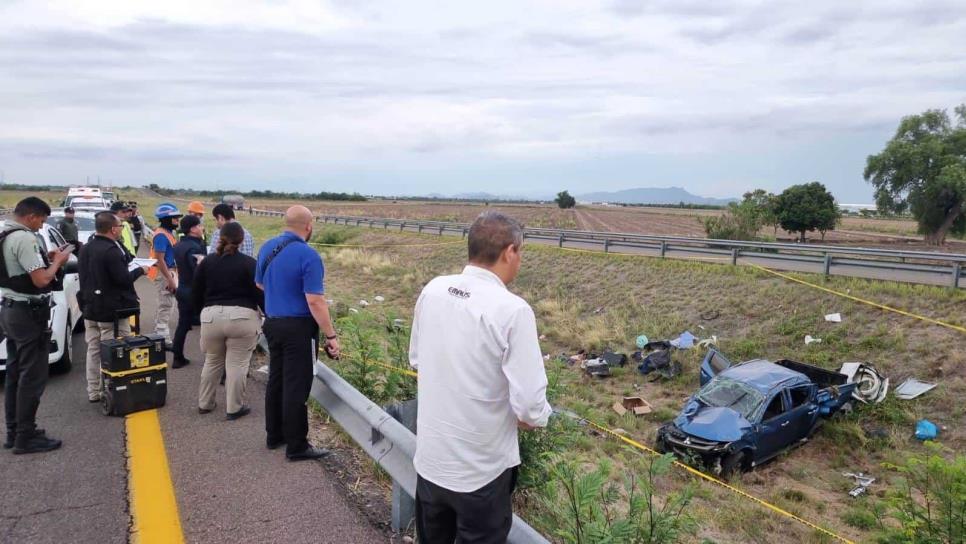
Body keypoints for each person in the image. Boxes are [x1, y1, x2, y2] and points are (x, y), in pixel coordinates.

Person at [409, 211, 552, 543]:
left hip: (431, 463)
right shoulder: (513, 310)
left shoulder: (433, 290)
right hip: (482, 473)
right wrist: (534, 417)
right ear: (509, 252)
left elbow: (418, 360)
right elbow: (530, 407)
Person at [255, 205, 339, 461]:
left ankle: (274, 435)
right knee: (297, 386)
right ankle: (297, 445)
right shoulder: (308, 255)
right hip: (298, 328)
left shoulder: (268, 247)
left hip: (272, 323)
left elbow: (259, 283)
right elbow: (315, 300)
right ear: (309, 226)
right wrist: (331, 336)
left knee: (277, 380)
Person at [1, 197, 74, 454]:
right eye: (41, 220)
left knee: (14, 373)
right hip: (28, 313)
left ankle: (15, 430)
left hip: (10, 308)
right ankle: (26, 436)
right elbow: (42, 279)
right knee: (32, 376)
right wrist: (58, 262)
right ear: (31, 216)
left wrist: (48, 257)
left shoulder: (5, 232)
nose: (41, 225)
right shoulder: (25, 238)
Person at [194, 222, 264, 420]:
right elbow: (259, 294)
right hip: (242, 317)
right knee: (237, 364)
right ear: (242, 240)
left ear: (219, 237)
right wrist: (268, 314)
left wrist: (202, 313)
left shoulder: (207, 262)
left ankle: (205, 403)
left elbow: (196, 292)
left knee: (212, 361)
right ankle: (234, 408)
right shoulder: (250, 263)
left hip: (211, 315)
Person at [78, 211, 148, 402]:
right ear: (112, 229)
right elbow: (123, 279)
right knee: (117, 348)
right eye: (119, 226)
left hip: (90, 307)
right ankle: (118, 385)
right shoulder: (110, 251)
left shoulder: (87, 247)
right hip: (111, 311)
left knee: (93, 349)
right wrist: (141, 270)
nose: (121, 229)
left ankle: (93, 390)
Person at [171, 215, 205, 369]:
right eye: (199, 225)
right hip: (196, 292)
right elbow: (198, 272)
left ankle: (177, 357)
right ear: (192, 228)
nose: (202, 228)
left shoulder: (178, 245)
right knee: (209, 327)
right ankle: (215, 364)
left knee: (183, 325)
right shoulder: (195, 247)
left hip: (182, 288)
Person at [148, 203, 182, 344]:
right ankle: (162, 338)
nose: (177, 221)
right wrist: (169, 279)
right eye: (175, 218)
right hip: (164, 273)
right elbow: (159, 258)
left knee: (166, 304)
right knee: (166, 304)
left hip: (168, 271)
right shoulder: (161, 235)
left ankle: (160, 333)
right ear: (167, 219)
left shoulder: (167, 233)